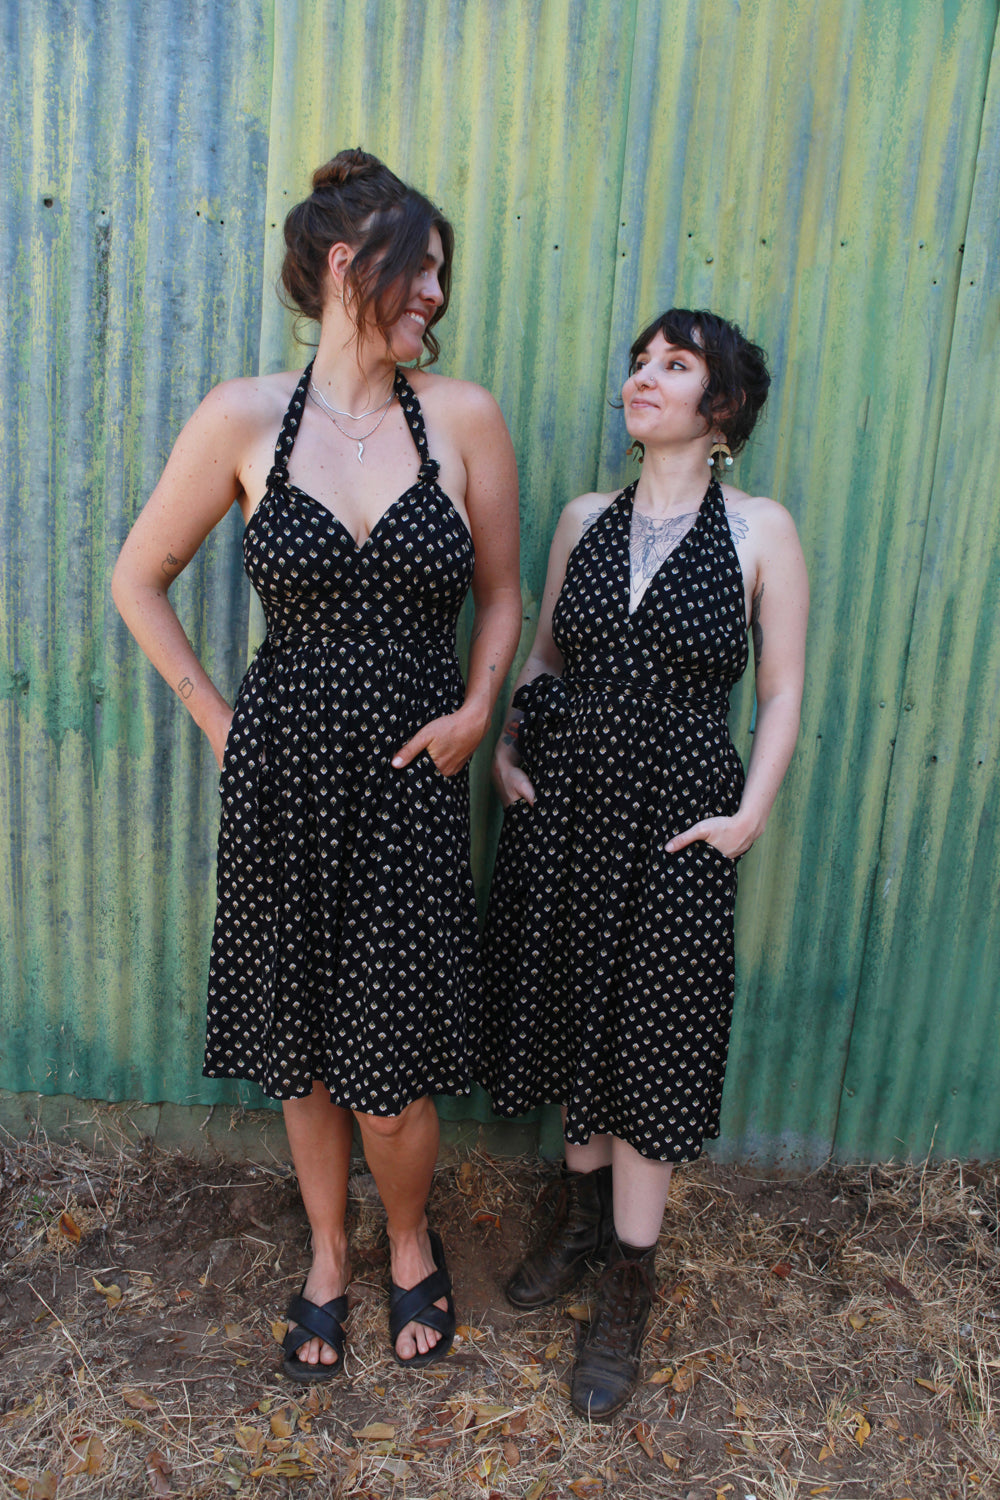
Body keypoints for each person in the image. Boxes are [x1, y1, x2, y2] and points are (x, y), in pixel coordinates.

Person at [112, 150, 521, 1378]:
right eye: (419, 269)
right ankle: (330, 1254)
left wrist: (476, 709)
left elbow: (502, 596)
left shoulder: (461, 417)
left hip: (409, 782)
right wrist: (219, 720)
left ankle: (410, 1237)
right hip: (282, 778)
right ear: (346, 264)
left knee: (387, 1076)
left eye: (443, 274)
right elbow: (138, 580)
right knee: (301, 1048)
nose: (435, 293)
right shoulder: (242, 418)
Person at [475, 308, 808, 1420]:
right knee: (571, 1013)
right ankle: (577, 1226)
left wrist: (748, 815)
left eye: (675, 364)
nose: (643, 378)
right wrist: (509, 750)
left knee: (651, 1040)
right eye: (638, 362)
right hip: (565, 812)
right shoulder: (584, 519)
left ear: (723, 407)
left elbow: (781, 691)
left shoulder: (761, 531)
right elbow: (544, 658)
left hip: (675, 823)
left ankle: (627, 1287)